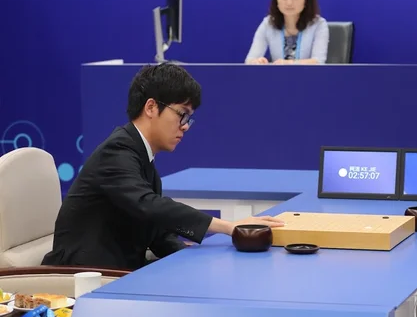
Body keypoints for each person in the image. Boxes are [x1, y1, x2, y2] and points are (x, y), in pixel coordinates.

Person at [42, 63, 284, 270]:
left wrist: (198, 261)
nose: (185, 126)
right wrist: (228, 226)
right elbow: (149, 206)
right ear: (150, 107)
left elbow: (156, 233)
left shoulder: (142, 156)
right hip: (85, 275)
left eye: (189, 118)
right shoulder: (116, 152)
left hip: (118, 270)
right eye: (181, 114)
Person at [245, 0, 329, 65]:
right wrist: (257, 62)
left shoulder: (318, 24)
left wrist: (289, 63)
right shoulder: (268, 23)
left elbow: (318, 62)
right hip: (276, 79)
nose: (289, 2)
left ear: (306, 0)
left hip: (310, 79)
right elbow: (250, 60)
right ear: (276, 0)